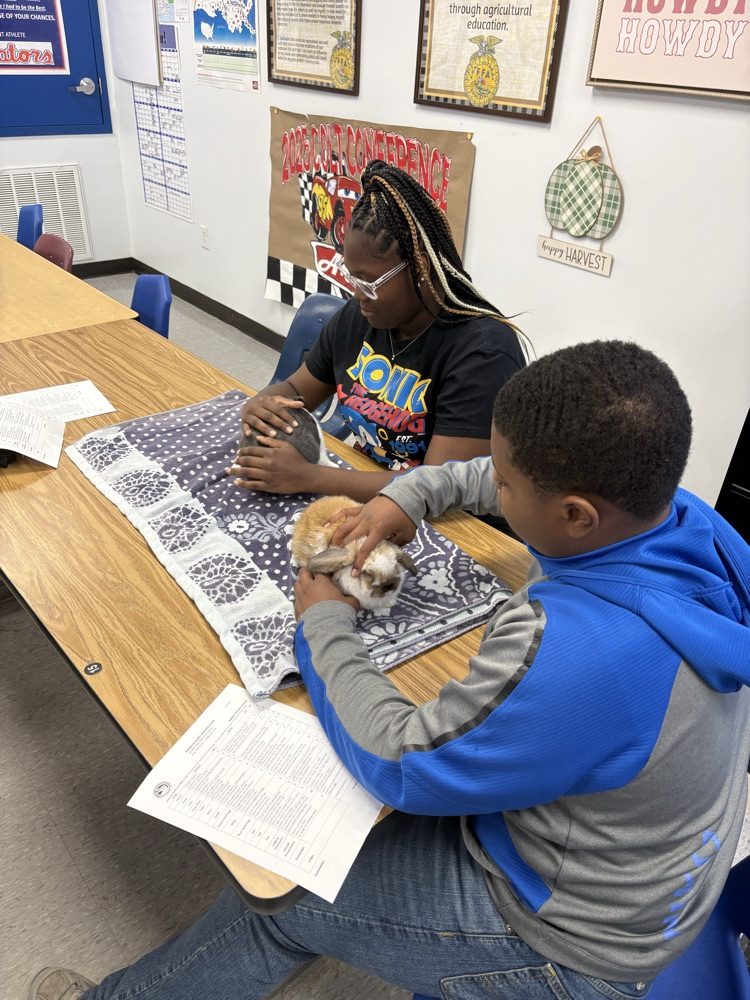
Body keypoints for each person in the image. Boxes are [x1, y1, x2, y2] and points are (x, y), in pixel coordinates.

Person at [31, 340, 750, 1000]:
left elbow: (404, 760)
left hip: (574, 943)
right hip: (654, 865)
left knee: (288, 896)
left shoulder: (577, 652)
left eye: (504, 485)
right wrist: (402, 497)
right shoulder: (682, 518)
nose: (489, 487)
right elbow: (471, 474)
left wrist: (322, 623)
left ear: (574, 515)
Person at [229, 158, 527, 504]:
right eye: (352, 278)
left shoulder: (483, 353)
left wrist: (310, 477)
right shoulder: (359, 318)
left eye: (370, 283)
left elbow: (437, 488)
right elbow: (296, 388)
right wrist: (263, 404)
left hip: (446, 521)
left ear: (422, 270)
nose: (357, 295)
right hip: (369, 486)